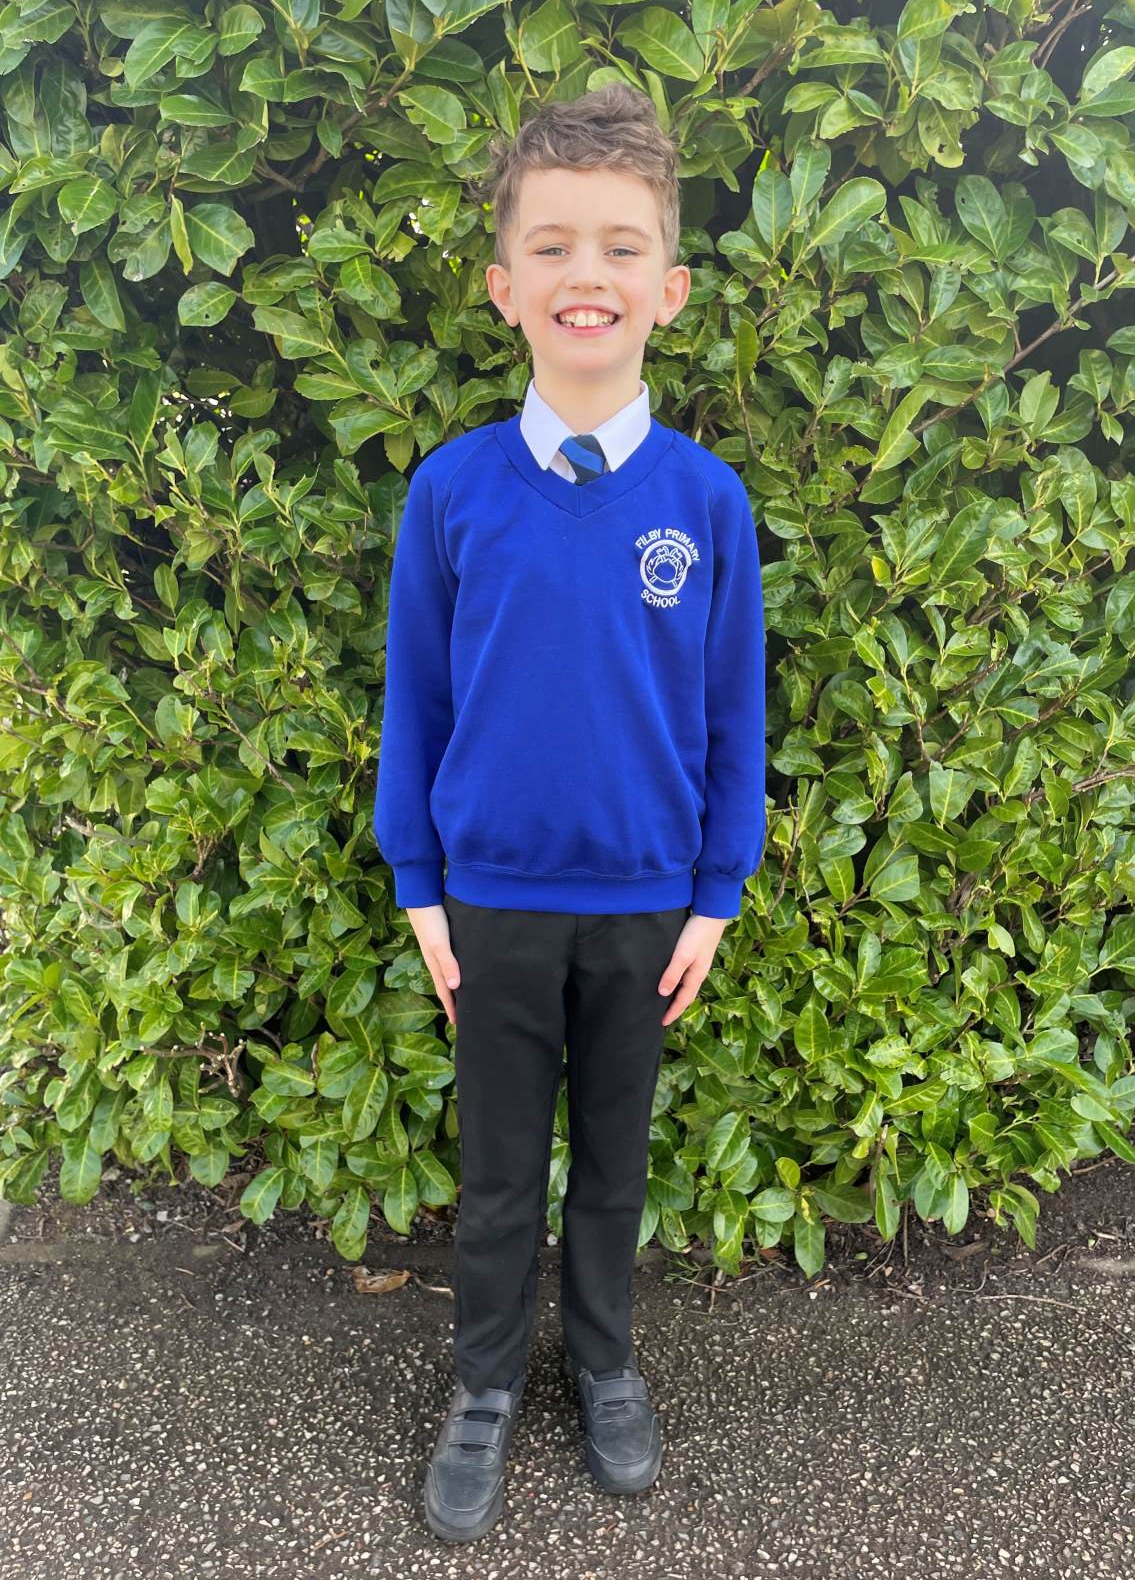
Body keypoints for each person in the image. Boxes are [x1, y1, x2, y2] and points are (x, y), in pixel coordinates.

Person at [373, 82, 767, 1543]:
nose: (583, 274)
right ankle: (484, 1383)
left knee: (612, 1164)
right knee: (495, 1172)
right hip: (491, 905)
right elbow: (418, 700)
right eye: (550, 246)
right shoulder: (451, 495)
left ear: (669, 288)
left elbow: (734, 714)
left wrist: (716, 891)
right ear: (504, 287)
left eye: (618, 246)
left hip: (647, 909)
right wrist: (421, 883)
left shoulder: (707, 504)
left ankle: (603, 1362)